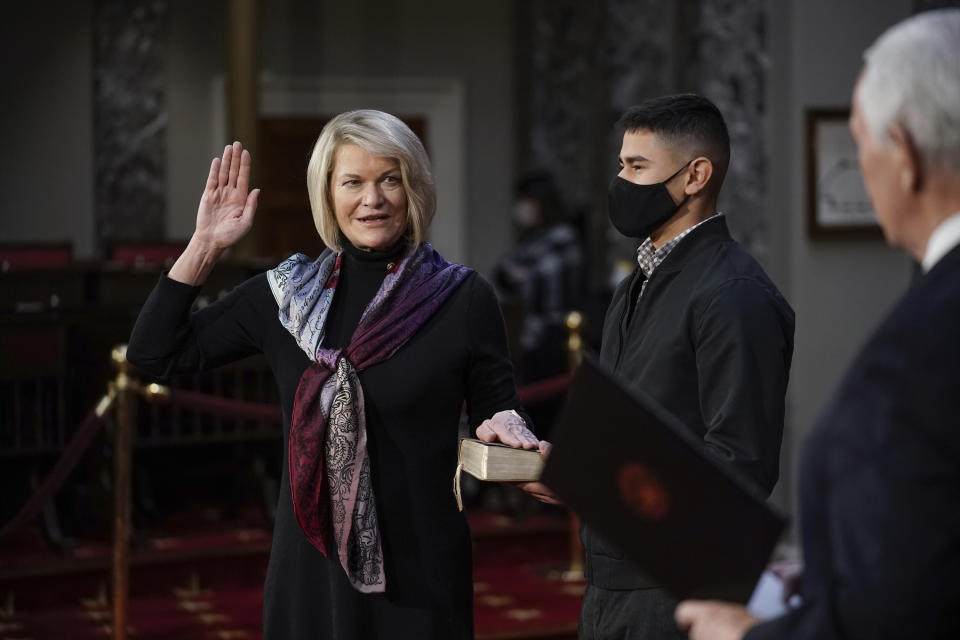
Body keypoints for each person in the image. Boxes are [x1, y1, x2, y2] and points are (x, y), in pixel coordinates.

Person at [126, 109, 544, 640]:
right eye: (353, 182)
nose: (372, 199)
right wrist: (205, 245)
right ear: (327, 194)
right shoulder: (284, 296)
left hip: (419, 568)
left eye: (389, 179)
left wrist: (508, 425)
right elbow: (153, 353)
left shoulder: (462, 297)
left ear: (413, 188)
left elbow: (497, 404)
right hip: (310, 564)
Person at [675, 9, 960, 640]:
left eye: (861, 145)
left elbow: (892, 619)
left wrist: (746, 635)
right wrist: (829, 574)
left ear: (905, 157)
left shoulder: (923, 348)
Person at [575, 94, 795, 640]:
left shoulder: (733, 293)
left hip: (675, 589)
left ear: (695, 175)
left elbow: (740, 465)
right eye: (621, 165)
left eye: (637, 167)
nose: (621, 181)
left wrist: (601, 480)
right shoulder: (636, 281)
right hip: (611, 580)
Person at [494, 170, 584, 383]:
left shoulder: (564, 238)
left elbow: (542, 283)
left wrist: (526, 275)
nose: (521, 208)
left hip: (557, 335)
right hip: (531, 335)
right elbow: (503, 273)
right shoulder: (531, 240)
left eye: (526, 201)